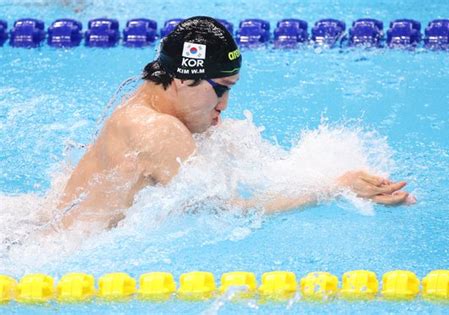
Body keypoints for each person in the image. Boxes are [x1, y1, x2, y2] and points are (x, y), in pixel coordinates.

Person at [54, 16, 414, 234]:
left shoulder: (148, 104)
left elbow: (264, 169)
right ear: (184, 79)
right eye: (221, 91)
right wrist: (334, 188)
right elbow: (229, 214)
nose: (224, 106)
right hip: (61, 259)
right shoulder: (159, 131)